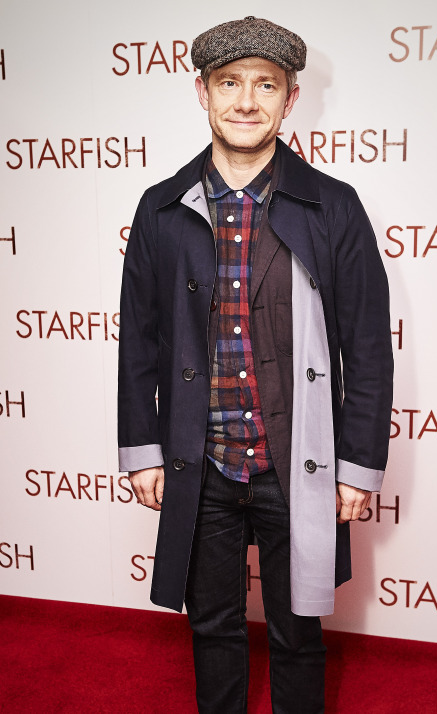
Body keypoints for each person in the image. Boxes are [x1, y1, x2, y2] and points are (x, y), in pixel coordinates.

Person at [118, 16, 393, 714]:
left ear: (290, 100)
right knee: (211, 626)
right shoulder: (160, 209)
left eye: (266, 85)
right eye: (230, 83)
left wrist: (357, 467)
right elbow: (140, 341)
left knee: (298, 632)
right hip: (201, 462)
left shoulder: (335, 207)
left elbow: (366, 345)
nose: (247, 101)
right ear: (203, 93)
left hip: (295, 464)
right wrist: (143, 450)